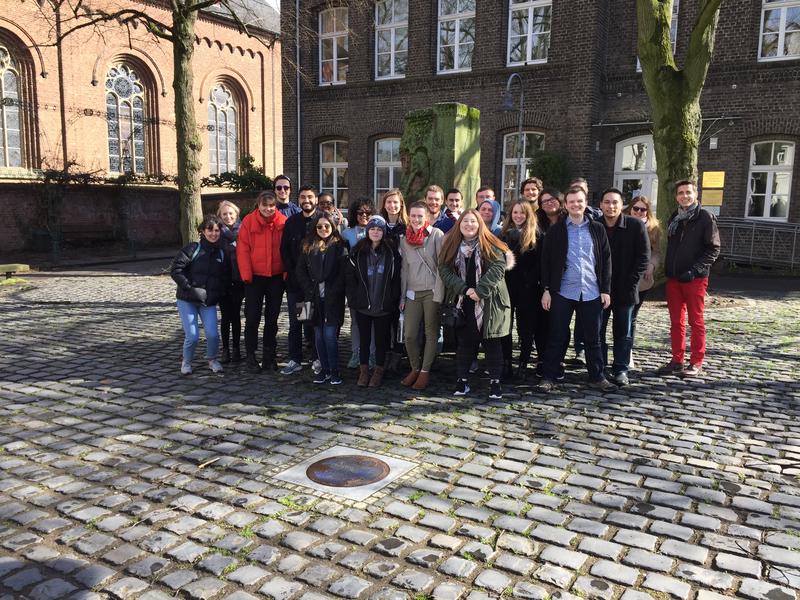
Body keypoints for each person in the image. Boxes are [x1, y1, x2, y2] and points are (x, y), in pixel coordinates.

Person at [539, 186, 614, 392]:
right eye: (571, 202)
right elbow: (546, 262)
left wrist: (605, 289)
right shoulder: (557, 230)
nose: (575, 205)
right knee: (557, 335)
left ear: (585, 202)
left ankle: (597, 376)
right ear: (566, 205)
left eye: (579, 201)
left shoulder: (597, 229)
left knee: (594, 337)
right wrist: (546, 289)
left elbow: (606, 260)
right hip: (563, 290)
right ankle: (549, 376)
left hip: (591, 290)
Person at [439, 209, 514, 400]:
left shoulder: (492, 244)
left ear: (479, 223)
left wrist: (480, 291)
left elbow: (498, 268)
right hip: (464, 301)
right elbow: (444, 270)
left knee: (492, 343)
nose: (469, 225)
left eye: (473, 221)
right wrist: (465, 290)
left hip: (490, 302)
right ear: (460, 225)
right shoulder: (452, 245)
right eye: (465, 222)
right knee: (465, 342)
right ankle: (462, 381)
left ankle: (495, 383)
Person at [659, 180, 721, 377]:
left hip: (694, 278)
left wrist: (695, 271)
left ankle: (696, 361)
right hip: (674, 278)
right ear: (676, 196)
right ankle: (677, 360)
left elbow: (713, 249)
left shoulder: (705, 217)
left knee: (696, 321)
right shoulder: (675, 217)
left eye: (688, 192)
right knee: (676, 322)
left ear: (696, 195)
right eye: (680, 193)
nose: (684, 196)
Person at [598, 188, 650, 386]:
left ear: (622, 205)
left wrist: (632, 283)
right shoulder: (595, 226)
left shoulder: (635, 226)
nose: (611, 206)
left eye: (615, 202)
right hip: (600, 289)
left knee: (623, 332)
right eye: (607, 202)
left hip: (626, 289)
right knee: (598, 331)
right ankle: (600, 367)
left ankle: (621, 368)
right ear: (601, 205)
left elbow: (643, 257)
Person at [170, 215, 230, 375]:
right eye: (210, 230)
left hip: (207, 300)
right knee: (193, 336)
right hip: (187, 299)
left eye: (217, 230)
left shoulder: (222, 253)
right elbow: (176, 270)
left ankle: (212, 359)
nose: (213, 233)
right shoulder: (192, 248)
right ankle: (186, 361)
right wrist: (188, 287)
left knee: (212, 334)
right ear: (202, 231)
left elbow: (224, 278)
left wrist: (217, 294)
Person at [345, 216, 401, 387]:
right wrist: (353, 299)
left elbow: (396, 279)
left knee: (381, 341)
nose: (375, 232)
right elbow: (350, 279)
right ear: (367, 231)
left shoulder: (391, 254)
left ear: (383, 233)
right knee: (364, 340)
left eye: (379, 230)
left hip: (383, 305)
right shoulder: (358, 252)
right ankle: (363, 372)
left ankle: (378, 371)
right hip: (363, 305)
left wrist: (392, 299)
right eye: (372, 229)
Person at [296, 213, 348, 385]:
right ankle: (323, 370)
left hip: (333, 299)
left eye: (327, 226)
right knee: (317, 336)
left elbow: (344, 273)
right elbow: (300, 271)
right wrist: (308, 288)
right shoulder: (307, 245)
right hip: (311, 298)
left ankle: (334, 370)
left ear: (333, 227)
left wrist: (335, 290)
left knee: (330, 335)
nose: (323, 229)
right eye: (319, 226)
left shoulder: (341, 245)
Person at [237, 190, 287, 372]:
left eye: (271, 206)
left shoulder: (282, 222)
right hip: (255, 278)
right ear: (258, 205)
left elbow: (287, 249)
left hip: (275, 277)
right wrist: (246, 275)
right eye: (264, 205)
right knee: (252, 318)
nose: (268, 209)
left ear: (276, 206)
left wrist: (286, 273)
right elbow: (242, 250)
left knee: (272, 319)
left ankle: (269, 355)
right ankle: (251, 355)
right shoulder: (248, 222)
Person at [399, 201, 444, 391]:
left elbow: (443, 266)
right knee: (409, 335)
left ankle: (425, 371)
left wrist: (439, 292)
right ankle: (414, 367)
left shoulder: (436, 235)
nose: (416, 219)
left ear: (426, 217)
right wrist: (402, 296)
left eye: (420, 216)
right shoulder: (404, 239)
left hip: (431, 291)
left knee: (430, 332)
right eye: (413, 215)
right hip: (412, 292)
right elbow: (404, 269)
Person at [280, 185, 320, 376]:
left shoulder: (322, 221)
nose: (306, 200)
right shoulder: (292, 222)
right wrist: (293, 272)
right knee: (297, 322)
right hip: (297, 284)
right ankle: (295, 359)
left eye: (310, 197)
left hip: (315, 283)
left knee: (312, 322)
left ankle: (315, 358)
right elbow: (285, 250)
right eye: (303, 197)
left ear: (316, 200)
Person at [499, 200, 542, 380]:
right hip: (507, 286)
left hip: (527, 288)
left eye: (522, 213)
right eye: (515, 212)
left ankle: (523, 361)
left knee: (525, 327)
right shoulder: (503, 235)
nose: (518, 216)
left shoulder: (536, 235)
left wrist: (529, 281)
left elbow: (540, 263)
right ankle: (506, 362)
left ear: (528, 215)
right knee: (505, 327)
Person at [624, 195, 663, 368]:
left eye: (643, 209)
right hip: (620, 278)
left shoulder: (653, 228)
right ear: (630, 209)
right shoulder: (621, 223)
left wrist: (652, 266)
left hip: (642, 280)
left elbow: (657, 252)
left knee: (631, 317)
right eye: (636, 209)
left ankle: (627, 352)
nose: (639, 212)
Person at [342, 197, 376, 369]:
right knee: (356, 321)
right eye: (360, 213)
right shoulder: (347, 233)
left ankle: (371, 354)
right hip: (355, 284)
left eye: (368, 213)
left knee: (373, 321)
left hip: (374, 282)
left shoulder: (377, 231)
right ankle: (356, 353)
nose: (364, 216)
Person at [380, 189, 409, 373]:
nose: (392, 206)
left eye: (396, 203)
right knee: (384, 320)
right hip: (382, 280)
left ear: (401, 205)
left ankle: (398, 355)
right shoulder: (379, 225)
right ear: (384, 205)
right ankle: (384, 355)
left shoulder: (406, 228)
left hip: (401, 279)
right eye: (389, 202)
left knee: (399, 320)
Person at [216, 200, 244, 364]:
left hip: (239, 280)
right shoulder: (216, 232)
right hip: (223, 281)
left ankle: (236, 349)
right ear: (220, 215)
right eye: (224, 214)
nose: (228, 216)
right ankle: (225, 349)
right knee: (226, 316)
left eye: (231, 213)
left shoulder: (243, 231)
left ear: (236, 215)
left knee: (237, 316)